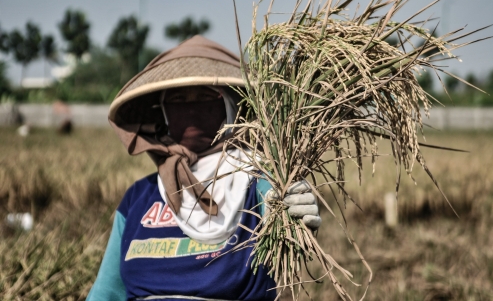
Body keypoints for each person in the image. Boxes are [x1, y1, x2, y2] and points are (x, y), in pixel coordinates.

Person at [87, 35, 321, 301]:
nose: (190, 107)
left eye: (205, 96)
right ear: (163, 112)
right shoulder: (139, 197)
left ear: (231, 106)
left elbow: (285, 217)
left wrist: (294, 216)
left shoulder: (257, 183)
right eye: (178, 98)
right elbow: (107, 291)